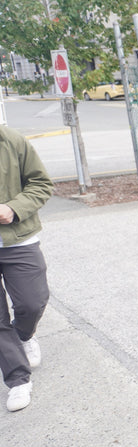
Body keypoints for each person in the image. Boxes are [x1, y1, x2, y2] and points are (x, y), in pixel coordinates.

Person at [0, 125, 53, 412]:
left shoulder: (12, 141)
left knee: (32, 302)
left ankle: (25, 335)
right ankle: (18, 380)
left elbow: (42, 184)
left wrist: (13, 208)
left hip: (18, 239)